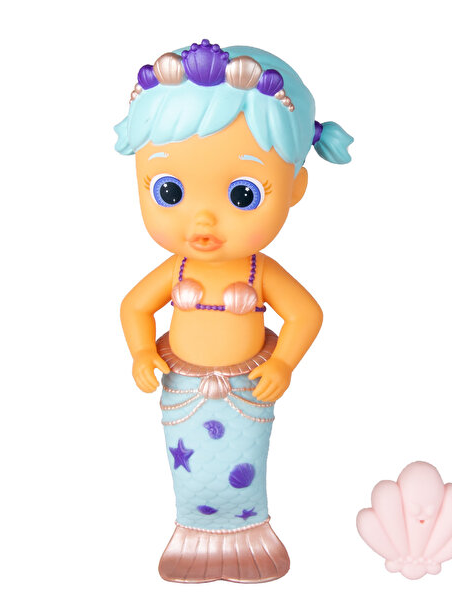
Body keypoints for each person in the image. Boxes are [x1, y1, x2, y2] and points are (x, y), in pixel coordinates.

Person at [115, 39, 353, 583]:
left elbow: (306, 314)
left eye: (242, 195)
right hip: (183, 390)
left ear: (294, 187)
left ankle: (248, 537)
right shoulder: (175, 270)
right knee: (189, 472)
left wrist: (283, 363)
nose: (203, 221)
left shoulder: (258, 271)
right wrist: (140, 353)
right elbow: (134, 306)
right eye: (169, 191)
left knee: (245, 467)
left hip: (247, 391)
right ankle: (193, 536)